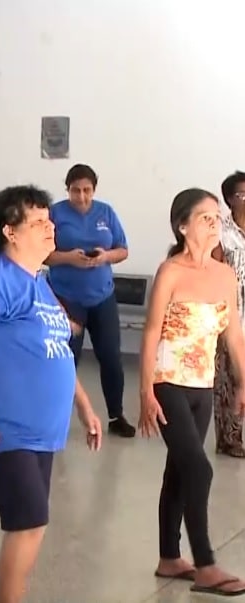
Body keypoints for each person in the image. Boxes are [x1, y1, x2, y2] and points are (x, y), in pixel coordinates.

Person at [0, 185, 102, 603]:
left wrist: (85, 406)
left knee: (30, 524)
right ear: (10, 232)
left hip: (43, 432)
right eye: (37, 223)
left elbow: (54, 350)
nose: (49, 228)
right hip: (4, 429)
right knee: (28, 520)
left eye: (49, 221)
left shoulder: (38, 282)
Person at [139, 188, 245, 597]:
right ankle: (205, 564)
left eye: (217, 216)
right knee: (199, 468)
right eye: (205, 217)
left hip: (203, 384)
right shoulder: (171, 272)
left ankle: (169, 556)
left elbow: (234, 335)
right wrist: (145, 389)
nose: (215, 222)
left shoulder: (224, 275)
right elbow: (150, 332)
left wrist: (241, 381)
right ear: (183, 226)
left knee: (180, 470)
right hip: (168, 382)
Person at [45, 164, 135, 438]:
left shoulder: (105, 212)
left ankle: (116, 415)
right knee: (64, 360)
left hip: (102, 297)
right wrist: (68, 257)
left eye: (86, 191)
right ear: (67, 189)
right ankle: (55, 417)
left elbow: (122, 250)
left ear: (94, 190)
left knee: (110, 357)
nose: (81, 196)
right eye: (75, 190)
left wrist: (105, 257)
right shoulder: (54, 214)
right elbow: (42, 254)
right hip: (66, 298)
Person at [212, 171, 245, 457]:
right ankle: (229, 439)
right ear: (229, 200)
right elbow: (212, 271)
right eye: (240, 194)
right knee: (228, 379)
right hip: (230, 314)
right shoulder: (221, 232)